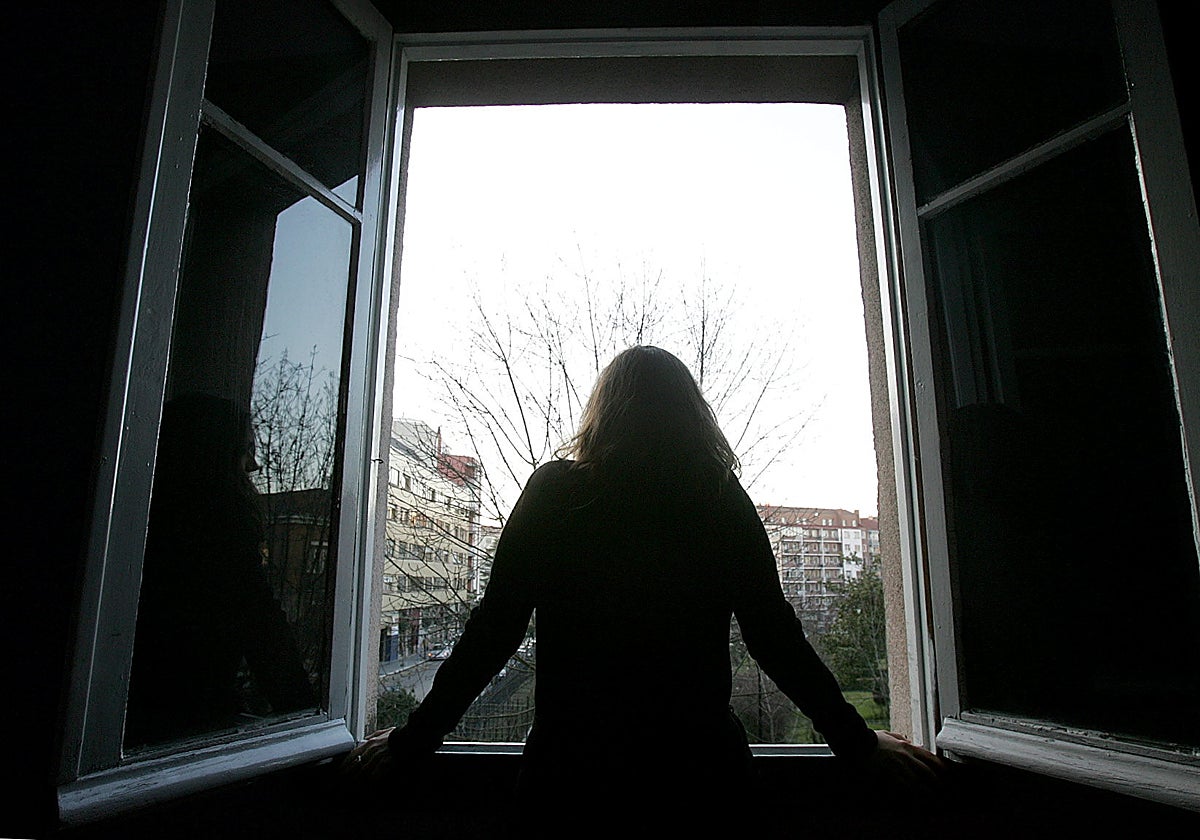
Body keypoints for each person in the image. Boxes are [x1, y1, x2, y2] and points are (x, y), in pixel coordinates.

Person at [343, 346, 944, 829]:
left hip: (571, 780)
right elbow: (774, 634)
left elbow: (493, 631)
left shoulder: (555, 494)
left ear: (603, 413)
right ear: (692, 415)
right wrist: (858, 746)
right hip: (701, 779)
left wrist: (411, 742)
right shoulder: (715, 497)